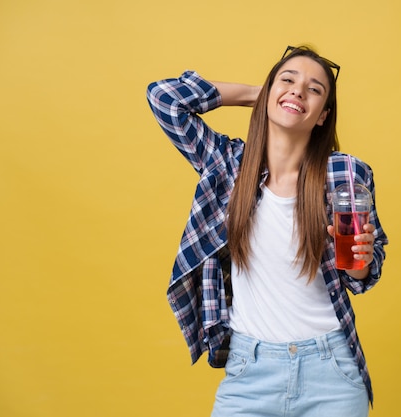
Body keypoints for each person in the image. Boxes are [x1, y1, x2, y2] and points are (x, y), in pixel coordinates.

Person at [146, 45, 388, 417]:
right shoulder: (227, 166)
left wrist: (360, 259)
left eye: (314, 89)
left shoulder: (345, 174)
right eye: (287, 80)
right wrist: (261, 96)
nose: (298, 90)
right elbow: (165, 97)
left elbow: (359, 278)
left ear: (323, 116)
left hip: (332, 371)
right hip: (249, 371)